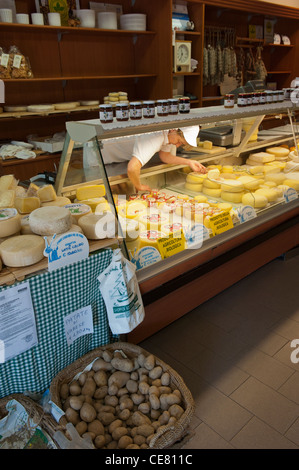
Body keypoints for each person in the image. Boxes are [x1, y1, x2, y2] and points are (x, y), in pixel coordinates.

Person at [100, 126, 207, 192]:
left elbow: (165, 156)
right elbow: (132, 168)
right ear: (174, 130)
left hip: (120, 157)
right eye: (179, 141)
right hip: (100, 155)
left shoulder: (169, 134)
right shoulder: (155, 137)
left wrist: (189, 162)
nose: (178, 145)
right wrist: (138, 186)